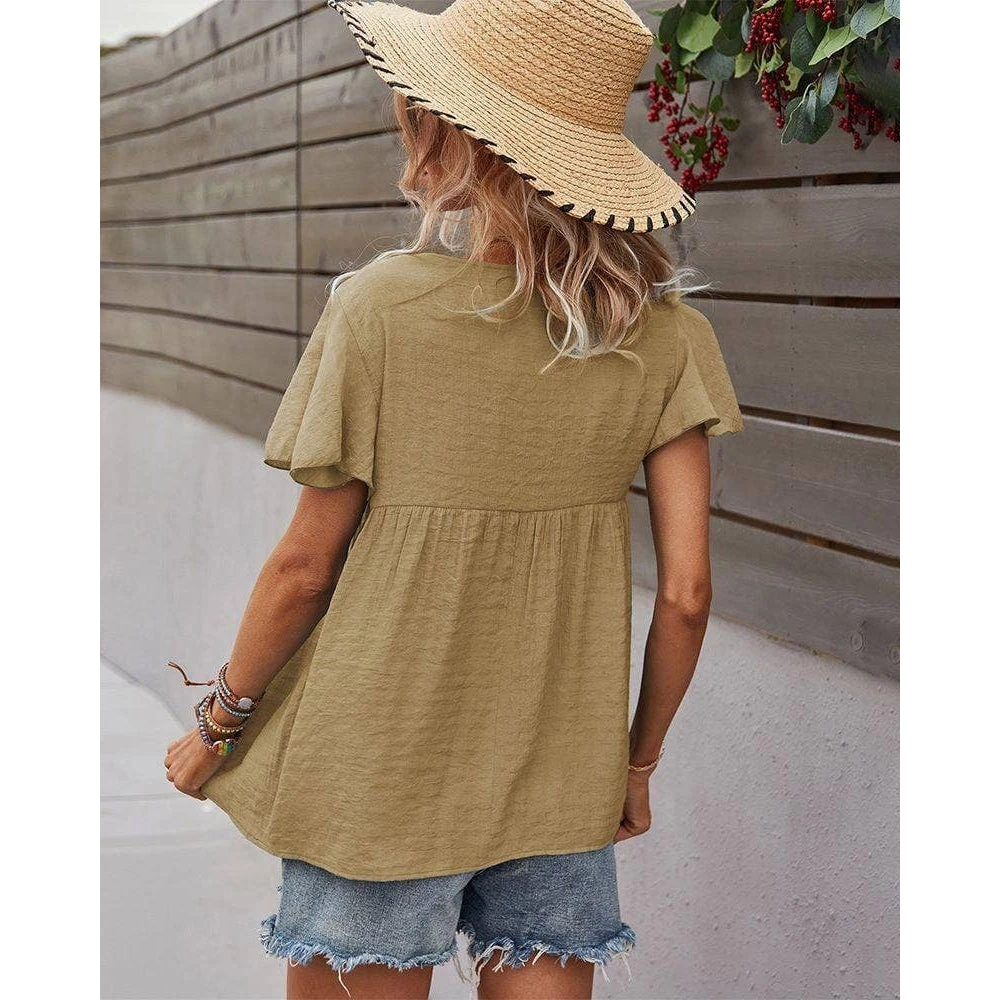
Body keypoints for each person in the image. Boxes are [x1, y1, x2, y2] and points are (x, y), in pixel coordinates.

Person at [163, 1, 743, 997]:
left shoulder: (380, 310)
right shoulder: (667, 337)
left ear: (461, 132)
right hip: (563, 775)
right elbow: (687, 594)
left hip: (379, 769)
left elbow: (304, 568)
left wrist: (218, 721)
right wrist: (635, 765)